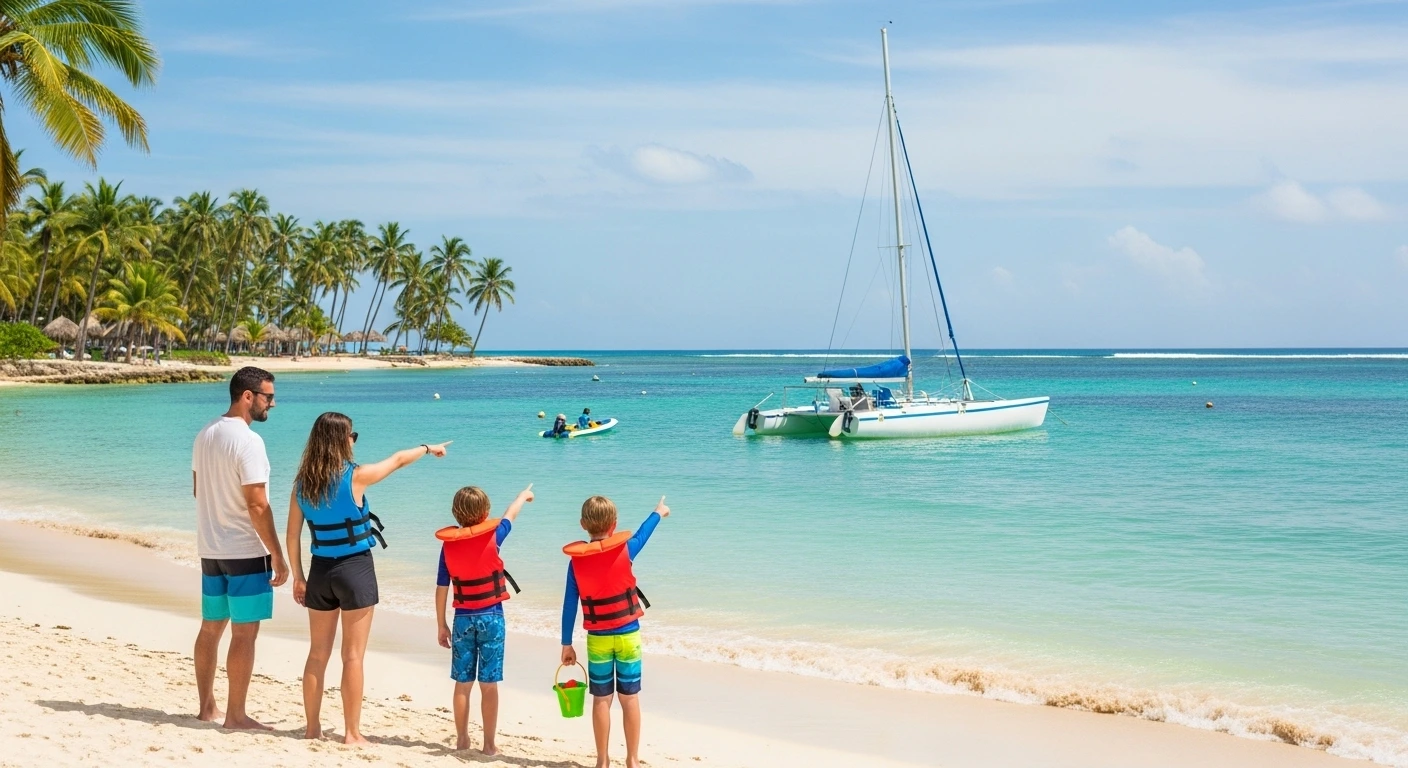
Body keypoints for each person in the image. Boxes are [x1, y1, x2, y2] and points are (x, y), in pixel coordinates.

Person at [284, 412, 449, 745]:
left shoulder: (303, 484)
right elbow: (399, 460)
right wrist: (428, 447)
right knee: (353, 656)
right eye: (351, 436)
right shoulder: (355, 477)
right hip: (354, 569)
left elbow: (291, 536)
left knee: (317, 654)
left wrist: (299, 578)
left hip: (320, 570)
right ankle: (351, 733)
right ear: (341, 440)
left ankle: (312, 729)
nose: (353, 441)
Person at [192, 366, 290, 730]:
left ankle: (206, 708)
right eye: (268, 396)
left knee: (210, 628)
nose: (272, 404)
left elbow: (198, 489)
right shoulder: (249, 441)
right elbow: (257, 504)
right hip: (245, 552)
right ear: (248, 396)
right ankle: (235, 715)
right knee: (244, 633)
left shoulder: (205, 434)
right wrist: (277, 554)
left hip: (211, 549)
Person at [561, 495, 670, 768]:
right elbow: (644, 533)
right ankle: (632, 760)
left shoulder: (576, 563)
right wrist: (659, 511)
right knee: (629, 698)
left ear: (583, 524)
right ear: (615, 524)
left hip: (598, 640)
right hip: (628, 635)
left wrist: (566, 644)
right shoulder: (626, 550)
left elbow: (569, 606)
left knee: (601, 699)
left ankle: (602, 761)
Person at [434, 483, 535, 754]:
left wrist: (441, 623)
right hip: (492, 618)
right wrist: (522, 496)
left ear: (456, 513)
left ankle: (462, 739)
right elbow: (509, 517)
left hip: (463, 620)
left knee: (462, 683)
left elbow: (441, 587)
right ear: (485, 513)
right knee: (489, 685)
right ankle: (489, 745)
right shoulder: (494, 536)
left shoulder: (448, 547)